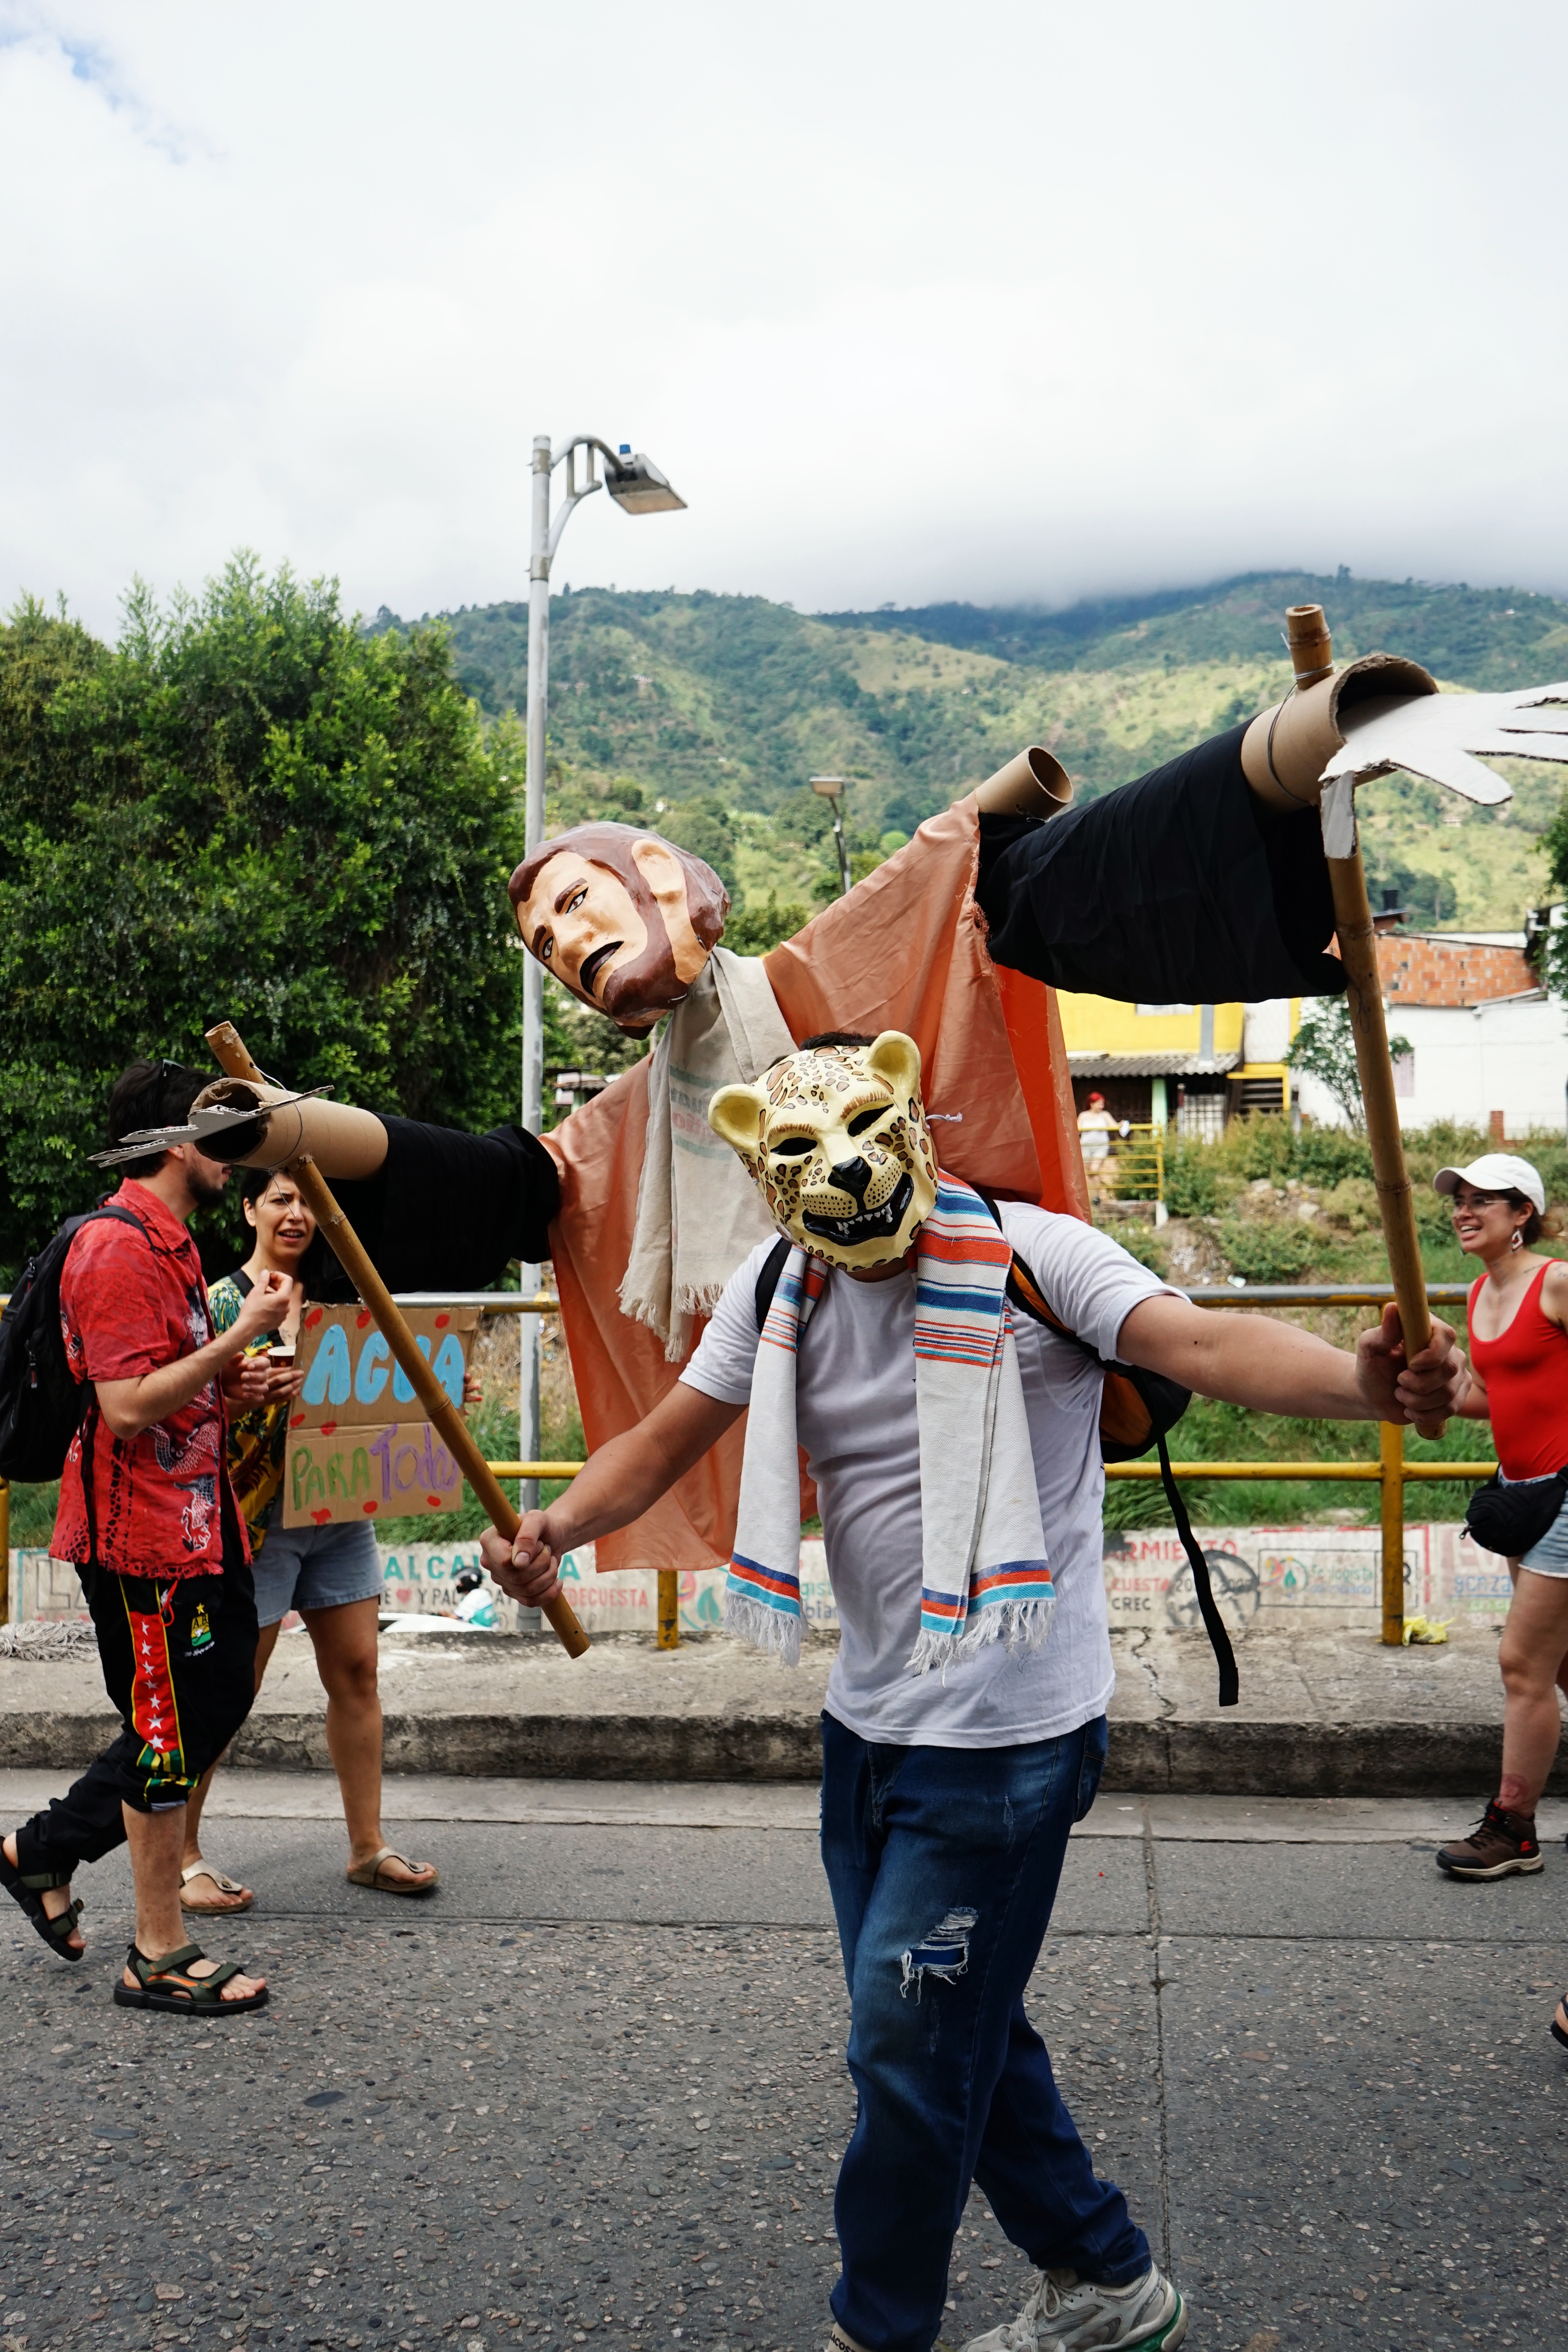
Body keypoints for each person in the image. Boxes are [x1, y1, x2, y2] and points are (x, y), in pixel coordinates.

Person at [481, 1030, 1464, 2352]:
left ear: (909, 1117)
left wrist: (1359, 1385)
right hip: (868, 1729)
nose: (843, 1167)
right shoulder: (782, 1285)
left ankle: (874, 2326)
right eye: (798, 1150)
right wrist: (550, 1527)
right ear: (757, 1168)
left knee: (905, 2042)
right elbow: (662, 1437)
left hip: (1005, 1743)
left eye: (867, 1126)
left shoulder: (1029, 1252)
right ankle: (1104, 2279)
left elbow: (1199, 1340)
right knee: (944, 2024)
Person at [0, 1061, 279, 2014]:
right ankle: (155, 1952)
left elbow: (168, 1383)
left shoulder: (175, 1246)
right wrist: (239, 1340)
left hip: (201, 1521)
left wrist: (229, 1387)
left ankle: (42, 1849)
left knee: (210, 1705)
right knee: (168, 1730)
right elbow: (122, 1408)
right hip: (142, 1539)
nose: (238, 1162)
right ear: (176, 1145)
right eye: (222, 1138)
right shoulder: (118, 1251)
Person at [179, 1165, 439, 1912]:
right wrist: (235, 1392)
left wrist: (442, 1391)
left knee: (358, 1673)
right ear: (252, 1208)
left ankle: (368, 1848)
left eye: (308, 1202)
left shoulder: (341, 1306)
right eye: (280, 1199)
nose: (295, 1214)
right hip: (252, 1525)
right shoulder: (218, 1301)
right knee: (228, 1691)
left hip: (338, 1516)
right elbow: (179, 1403)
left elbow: (388, 1399)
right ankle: (183, 1856)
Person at [1435, 1155, 1568, 1885]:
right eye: (1459, 1199)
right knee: (1560, 1664)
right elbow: (1489, 1393)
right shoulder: (1479, 1292)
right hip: (1521, 1494)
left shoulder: (1556, 1281)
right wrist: (1425, 1383)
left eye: (1483, 1199)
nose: (1464, 1209)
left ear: (1522, 1213)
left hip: (1567, 1492)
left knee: (1521, 1664)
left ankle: (1513, 1829)